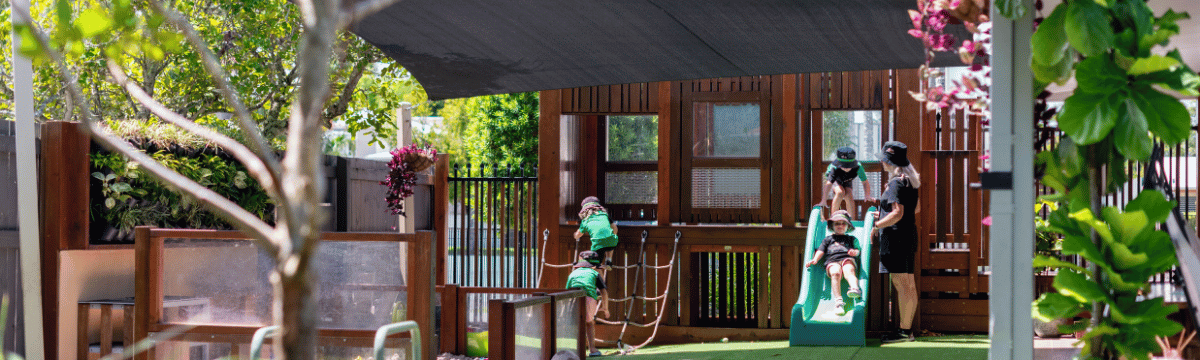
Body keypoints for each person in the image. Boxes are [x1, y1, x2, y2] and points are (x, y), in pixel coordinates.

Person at [872, 141, 921, 343]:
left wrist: (877, 225)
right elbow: (914, 210)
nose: (882, 162)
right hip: (908, 235)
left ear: (888, 161)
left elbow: (897, 213)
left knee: (902, 285)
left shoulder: (895, 183)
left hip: (896, 238)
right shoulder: (910, 181)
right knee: (908, 284)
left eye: (883, 159)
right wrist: (883, 213)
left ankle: (903, 331)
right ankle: (906, 331)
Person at [804, 210, 863, 315]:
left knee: (849, 270)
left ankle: (854, 288)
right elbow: (821, 250)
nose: (840, 225)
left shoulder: (852, 239)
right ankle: (839, 302)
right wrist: (815, 259)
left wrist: (855, 252)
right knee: (835, 273)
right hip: (832, 261)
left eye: (843, 223)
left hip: (847, 259)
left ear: (848, 226)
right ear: (832, 226)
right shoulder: (828, 239)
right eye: (837, 224)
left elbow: (858, 250)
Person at [565, 250, 610, 357]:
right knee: (589, 323)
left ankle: (574, 349)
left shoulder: (573, 273)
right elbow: (604, 292)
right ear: (594, 266)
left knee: (575, 325)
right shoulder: (594, 273)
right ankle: (592, 349)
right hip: (588, 298)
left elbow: (566, 291)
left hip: (573, 299)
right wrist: (605, 308)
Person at [818, 147, 875, 217]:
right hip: (836, 179)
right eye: (843, 165)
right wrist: (824, 200)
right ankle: (833, 219)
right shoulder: (834, 168)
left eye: (848, 165)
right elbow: (828, 184)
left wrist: (867, 195)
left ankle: (852, 222)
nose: (845, 167)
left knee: (849, 195)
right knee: (840, 192)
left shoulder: (858, 167)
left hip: (847, 179)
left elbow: (865, 182)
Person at [575, 196, 619, 270]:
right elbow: (615, 228)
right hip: (612, 241)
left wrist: (575, 236)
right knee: (610, 239)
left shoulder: (586, 219)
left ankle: (599, 279)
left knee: (594, 267)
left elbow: (579, 234)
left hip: (598, 244)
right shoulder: (604, 215)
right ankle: (609, 261)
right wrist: (612, 234)